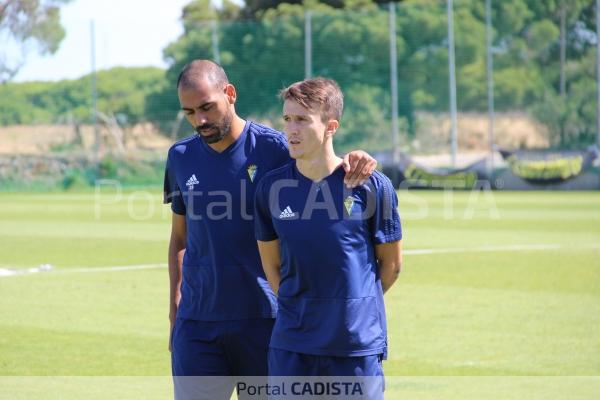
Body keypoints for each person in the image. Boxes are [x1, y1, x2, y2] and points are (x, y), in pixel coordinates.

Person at [163, 60, 377, 398]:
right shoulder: (180, 156)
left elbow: (322, 159)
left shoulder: (275, 149)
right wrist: (176, 310)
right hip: (198, 325)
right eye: (189, 112)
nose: (199, 120)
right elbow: (180, 237)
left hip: (265, 321)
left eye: (207, 107)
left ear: (230, 94)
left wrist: (357, 157)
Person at [254, 77, 402, 394]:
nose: (291, 130)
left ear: (330, 126)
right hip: (293, 346)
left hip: (354, 347)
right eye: (287, 119)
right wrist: (301, 308)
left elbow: (391, 266)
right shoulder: (270, 188)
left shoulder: (372, 186)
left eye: (302, 120)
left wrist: (353, 307)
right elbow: (272, 266)